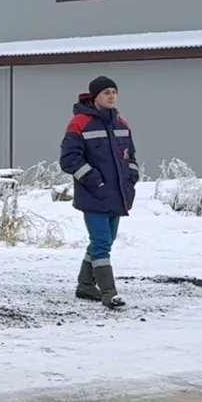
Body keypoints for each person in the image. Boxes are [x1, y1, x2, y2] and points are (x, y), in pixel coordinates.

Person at [59, 76, 138, 309]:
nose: (111, 95)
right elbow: (69, 160)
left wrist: (132, 179)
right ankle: (108, 292)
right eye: (106, 92)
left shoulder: (122, 124)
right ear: (95, 96)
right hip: (93, 195)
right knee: (102, 242)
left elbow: (130, 157)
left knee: (105, 241)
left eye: (114, 91)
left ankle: (85, 285)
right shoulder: (79, 123)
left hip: (118, 195)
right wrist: (95, 181)